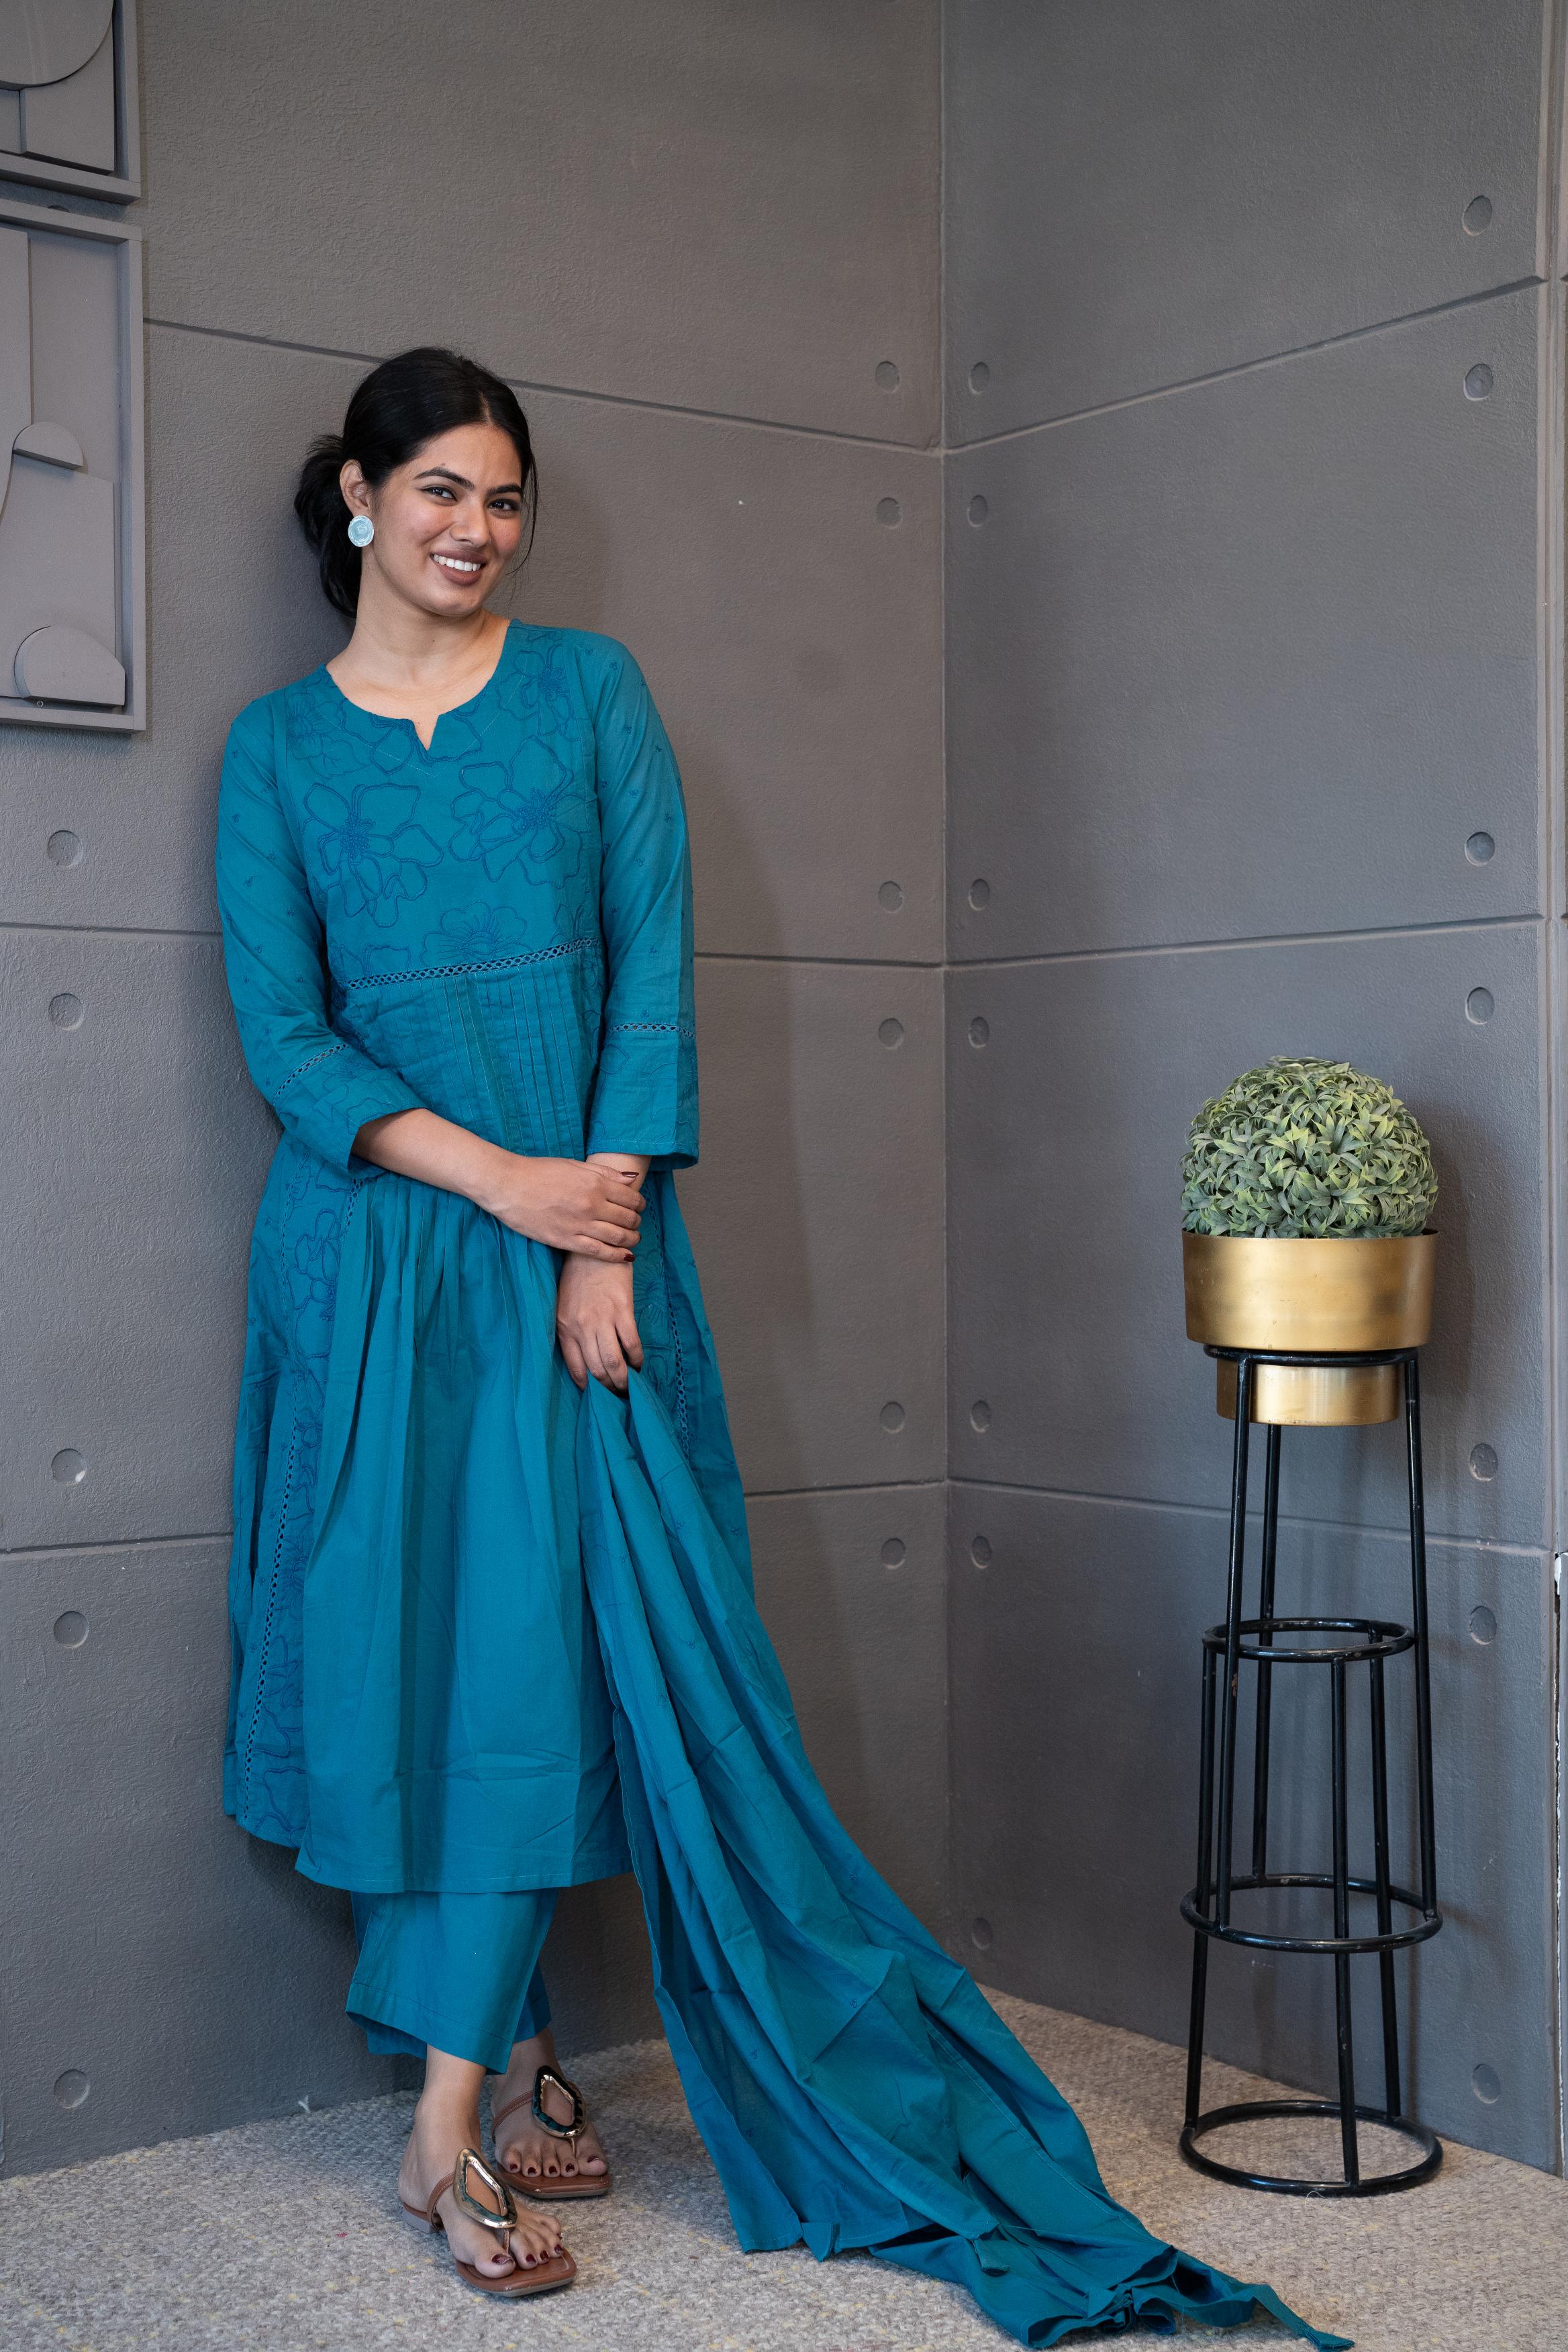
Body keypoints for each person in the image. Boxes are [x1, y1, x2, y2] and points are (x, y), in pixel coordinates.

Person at [215, 345, 1346, 2342]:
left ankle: (442, 2129)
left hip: (585, 1259)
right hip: (380, 1265)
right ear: (361, 500)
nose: (477, 529)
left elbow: (651, 970)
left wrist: (594, 1233)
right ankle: (520, 2070)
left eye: (505, 497)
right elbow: (286, 1038)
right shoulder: (275, 752)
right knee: (415, 1661)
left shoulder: (589, 695)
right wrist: (504, 1185)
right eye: (442, 491)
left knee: (541, 1662)